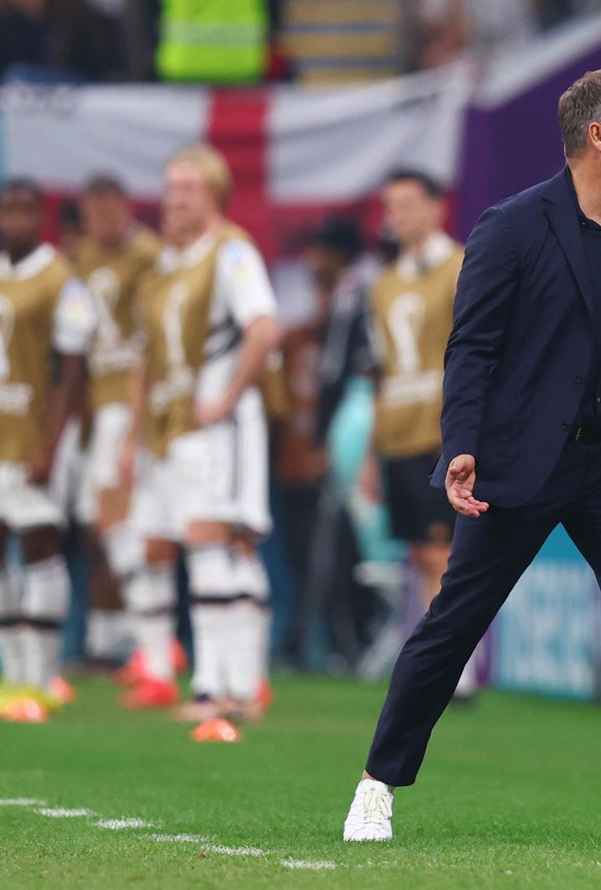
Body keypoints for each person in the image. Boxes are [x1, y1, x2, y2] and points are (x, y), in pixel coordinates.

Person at [342, 68, 601, 843]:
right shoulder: (512, 226)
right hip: (522, 466)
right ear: (599, 137)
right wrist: (462, 445)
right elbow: (472, 349)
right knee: (454, 623)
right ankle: (376, 785)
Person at [119, 144, 281, 728]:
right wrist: (133, 435)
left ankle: (219, 688)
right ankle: (235, 685)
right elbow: (147, 359)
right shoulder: (165, 266)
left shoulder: (231, 251)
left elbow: (264, 329)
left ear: (214, 193)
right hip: (172, 431)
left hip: (217, 426)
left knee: (214, 541)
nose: (175, 200)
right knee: (197, 546)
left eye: (187, 188)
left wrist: (227, 397)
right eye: (170, 188)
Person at [357, 169, 476, 694]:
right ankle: (440, 665)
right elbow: (382, 372)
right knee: (421, 554)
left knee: (443, 553)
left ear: (436, 207)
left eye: (408, 204)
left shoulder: (461, 267)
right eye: (391, 206)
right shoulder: (383, 285)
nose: (398, 216)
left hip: (442, 428)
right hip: (400, 431)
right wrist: (370, 452)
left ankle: (456, 669)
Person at [0, 178, 96, 721]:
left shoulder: (61, 279)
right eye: (7, 210)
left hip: (36, 438)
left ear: (41, 217)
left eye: (25, 211)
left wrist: (52, 445)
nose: (15, 220)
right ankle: (13, 677)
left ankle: (42, 676)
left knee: (38, 547)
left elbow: (72, 371)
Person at [71, 174, 162, 676]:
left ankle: (148, 640)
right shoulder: (83, 257)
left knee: (121, 517)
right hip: (97, 403)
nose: (101, 224)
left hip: (130, 402)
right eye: (92, 215)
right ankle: (114, 637)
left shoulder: (149, 256)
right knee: (100, 521)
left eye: (108, 213)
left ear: (126, 208)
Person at [276, 216, 376, 669]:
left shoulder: (361, 297)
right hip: (329, 437)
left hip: (349, 434)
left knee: (336, 546)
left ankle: (343, 642)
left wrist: (334, 440)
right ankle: (331, 641)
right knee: (321, 546)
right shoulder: (336, 304)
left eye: (321, 251)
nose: (313, 259)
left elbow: (355, 373)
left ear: (339, 255)